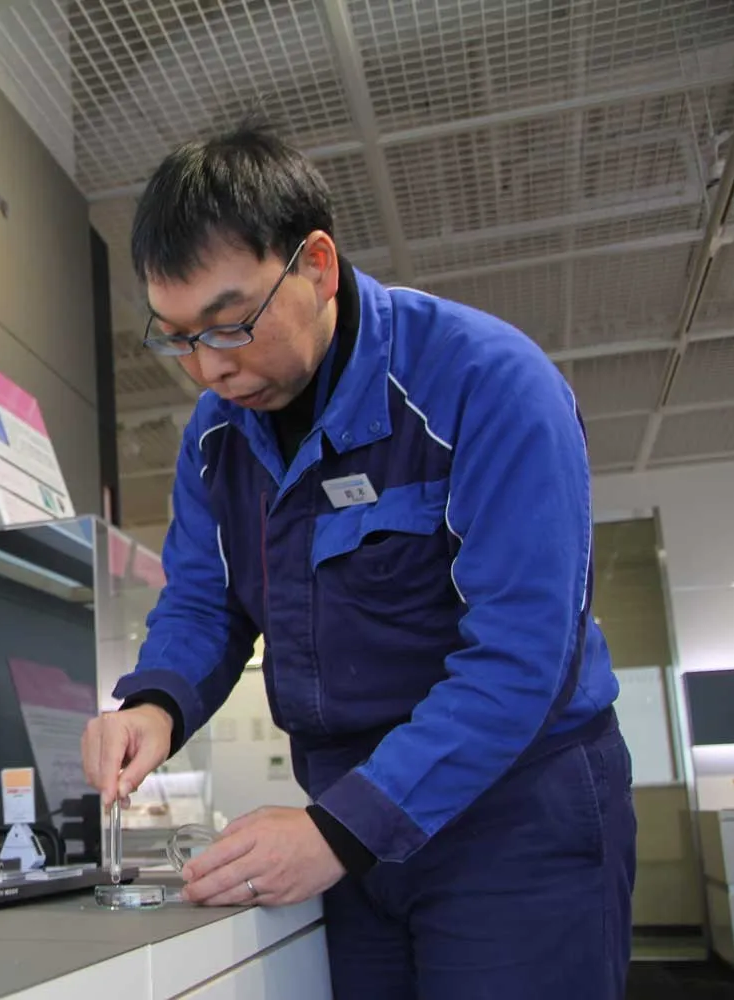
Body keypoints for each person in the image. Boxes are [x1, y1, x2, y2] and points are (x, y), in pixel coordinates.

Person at [81, 114, 636, 999]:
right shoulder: (215, 440)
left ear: (317, 266)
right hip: (347, 825)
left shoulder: (489, 385)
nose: (207, 369)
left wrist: (340, 830)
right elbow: (204, 601)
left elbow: (522, 658)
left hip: (510, 812)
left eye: (229, 325)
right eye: (177, 336)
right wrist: (154, 705)